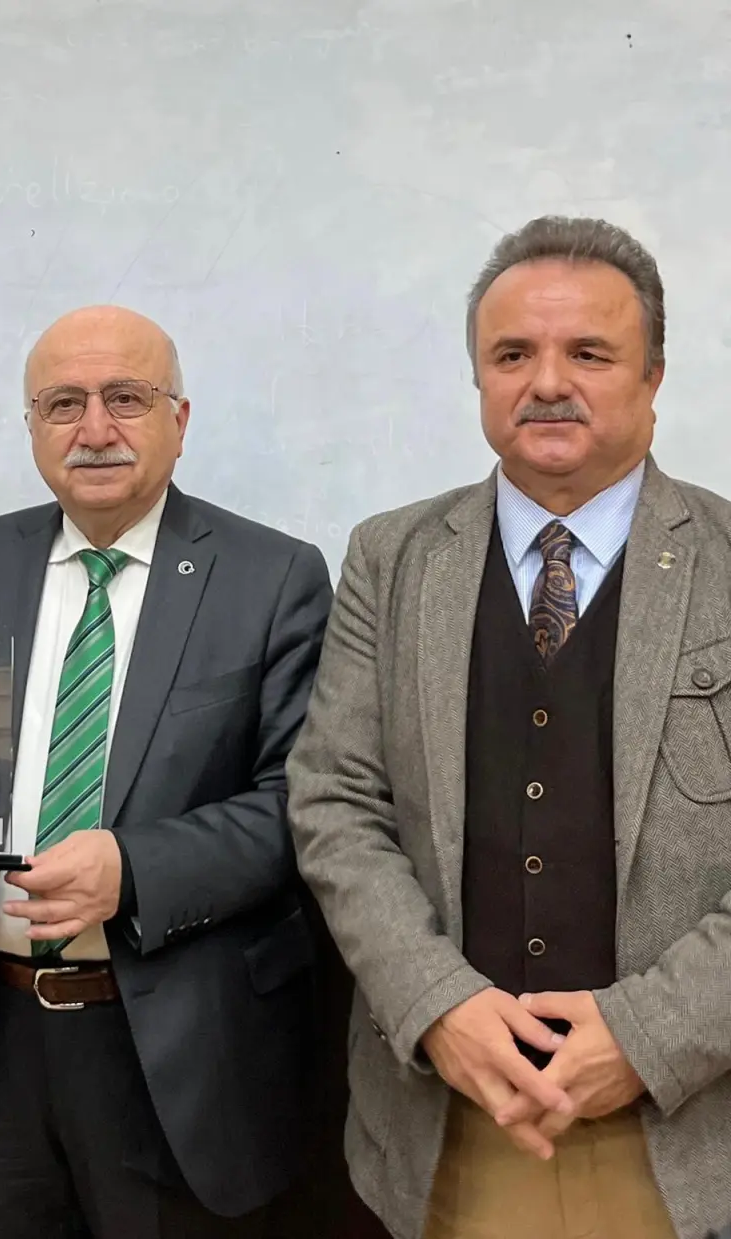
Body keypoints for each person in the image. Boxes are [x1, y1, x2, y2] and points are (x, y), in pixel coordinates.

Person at [287, 216, 731, 1239]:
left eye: (589, 353)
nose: (547, 383)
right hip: (442, 1132)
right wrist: (436, 1003)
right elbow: (333, 803)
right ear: (479, 377)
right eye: (513, 354)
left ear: (654, 376)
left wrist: (647, 1037)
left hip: (687, 1139)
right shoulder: (390, 559)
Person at [0, 305, 335, 1237]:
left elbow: (301, 804)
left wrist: (133, 869)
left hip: (175, 1049)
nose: (94, 429)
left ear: (180, 418)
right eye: (63, 404)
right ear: (32, 426)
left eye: (125, 397)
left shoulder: (272, 577)